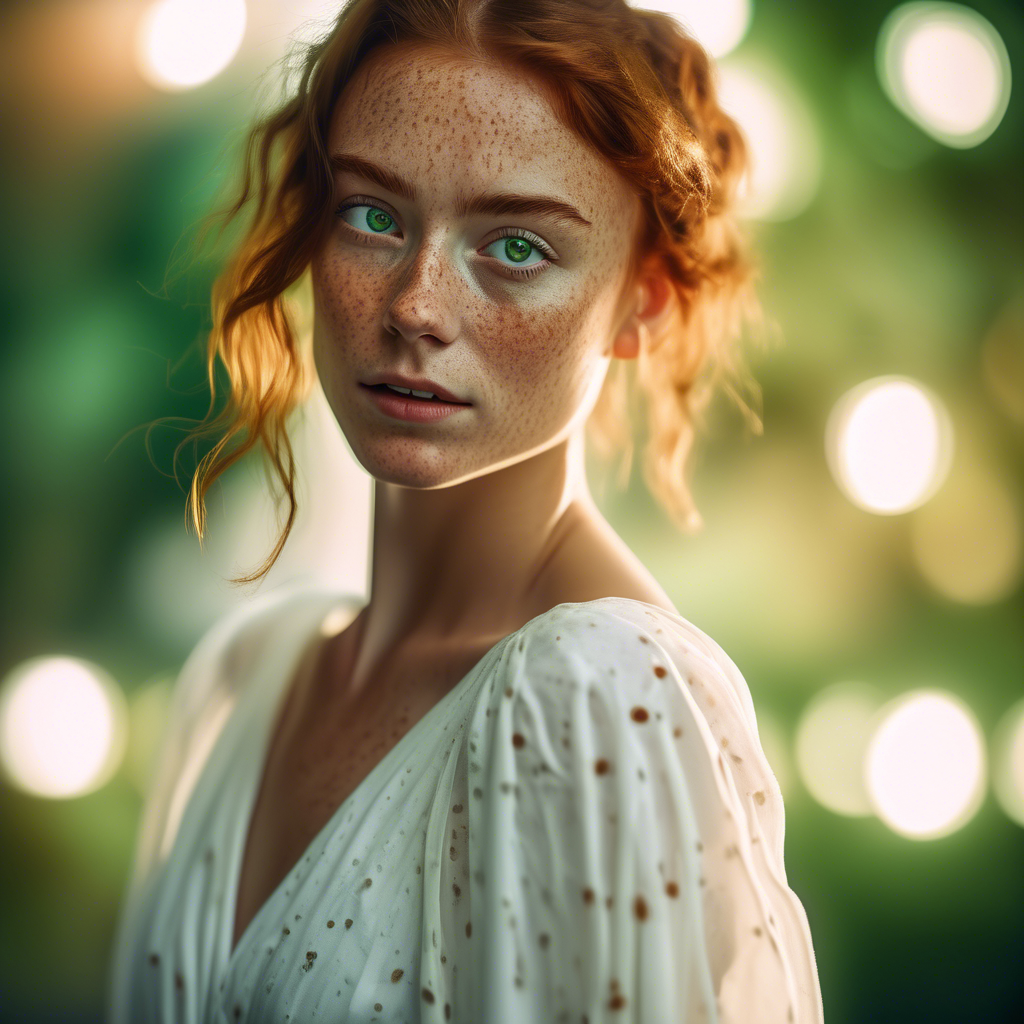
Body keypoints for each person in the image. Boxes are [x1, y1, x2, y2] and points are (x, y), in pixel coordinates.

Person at [107, 1, 824, 1020]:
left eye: (517, 247)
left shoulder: (603, 695)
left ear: (644, 300)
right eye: (372, 215)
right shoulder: (248, 676)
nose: (415, 305)